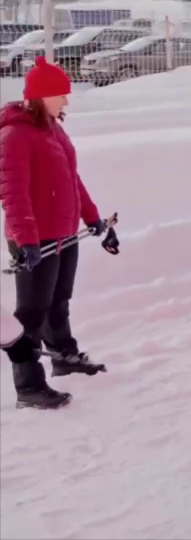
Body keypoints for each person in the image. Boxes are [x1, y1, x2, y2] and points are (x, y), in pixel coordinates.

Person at [0, 56, 107, 409]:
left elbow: (71, 179)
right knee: (31, 311)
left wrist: (92, 218)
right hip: (34, 238)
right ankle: (28, 386)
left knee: (58, 302)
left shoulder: (53, 129)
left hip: (63, 232)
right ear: (41, 96)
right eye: (61, 93)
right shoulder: (15, 134)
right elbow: (13, 193)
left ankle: (64, 355)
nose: (67, 99)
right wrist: (26, 239)